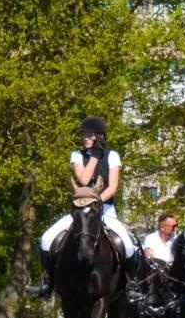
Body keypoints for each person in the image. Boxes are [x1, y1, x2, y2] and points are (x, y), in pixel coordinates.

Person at [29, 115, 139, 297]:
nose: (85, 138)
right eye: (84, 135)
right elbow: (84, 179)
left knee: (127, 244)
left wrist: (97, 202)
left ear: (100, 136)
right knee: (46, 238)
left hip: (106, 209)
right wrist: (94, 156)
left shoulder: (112, 156)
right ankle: (47, 282)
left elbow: (112, 187)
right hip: (80, 211)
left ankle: (131, 285)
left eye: (89, 135)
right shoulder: (77, 155)